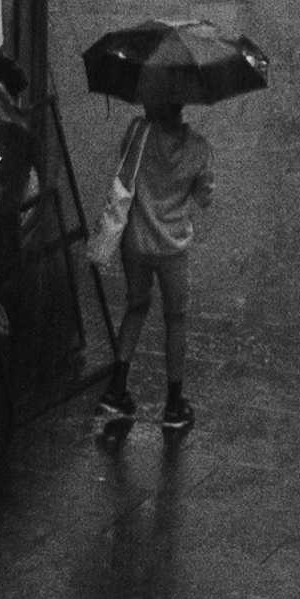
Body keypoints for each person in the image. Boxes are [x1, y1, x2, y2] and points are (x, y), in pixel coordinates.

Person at [94, 87, 213, 442]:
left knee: (136, 306)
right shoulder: (199, 148)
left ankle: (116, 388)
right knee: (175, 318)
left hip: (135, 242)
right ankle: (174, 403)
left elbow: (125, 165)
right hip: (172, 248)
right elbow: (204, 197)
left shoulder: (137, 132)